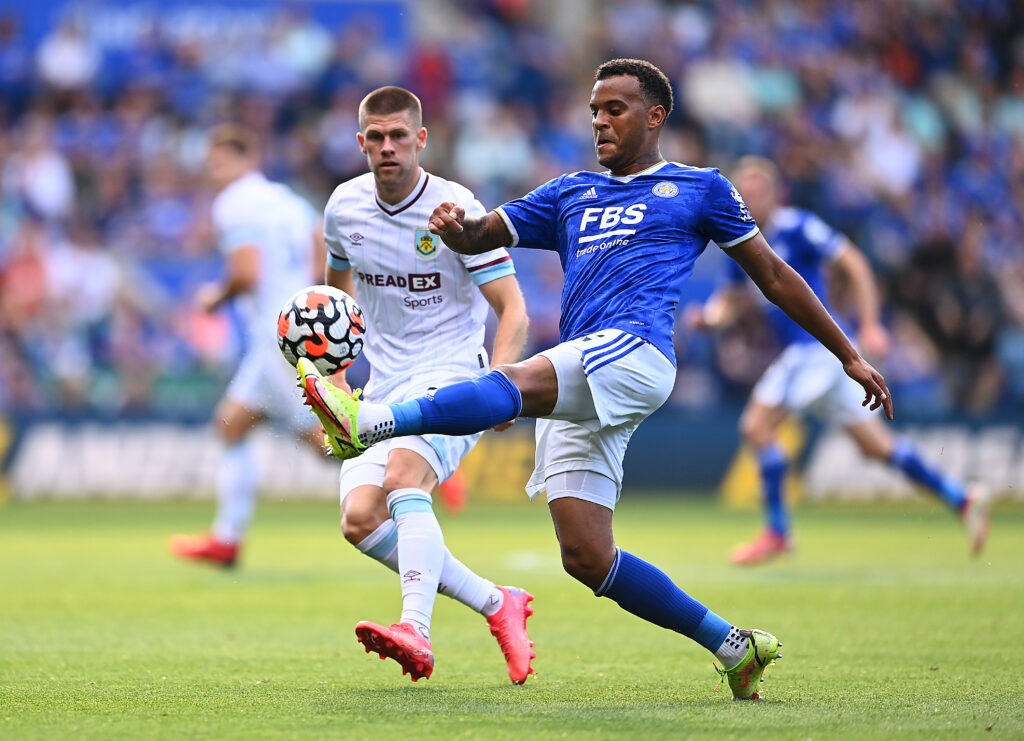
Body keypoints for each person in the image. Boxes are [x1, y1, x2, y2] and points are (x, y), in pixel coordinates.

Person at [298, 58, 894, 700]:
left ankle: (370, 421)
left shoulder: (700, 188)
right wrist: (457, 228)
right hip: (587, 364)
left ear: (655, 116)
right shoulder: (569, 191)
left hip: (635, 352)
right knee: (586, 558)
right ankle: (734, 645)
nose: (600, 122)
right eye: (594, 112)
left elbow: (773, 276)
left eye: (615, 109)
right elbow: (486, 230)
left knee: (518, 383)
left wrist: (848, 352)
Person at [313, 86, 534, 683]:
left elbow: (514, 309)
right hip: (384, 383)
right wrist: (333, 386)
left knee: (404, 478)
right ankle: (497, 602)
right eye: (376, 138)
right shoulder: (344, 208)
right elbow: (333, 306)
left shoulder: (455, 208)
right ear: (360, 143)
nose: (387, 147)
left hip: (452, 375)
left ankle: (416, 628)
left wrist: (502, 382)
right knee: (360, 519)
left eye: (398, 136)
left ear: (421, 140)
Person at [688, 156, 991, 565]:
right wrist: (709, 318)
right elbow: (731, 301)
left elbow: (854, 262)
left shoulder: (797, 226)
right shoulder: (741, 242)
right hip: (820, 360)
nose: (750, 198)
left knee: (756, 426)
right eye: (744, 191)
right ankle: (961, 498)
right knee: (875, 447)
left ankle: (778, 533)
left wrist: (869, 324)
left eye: (758, 190)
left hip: (814, 350)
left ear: (777, 194)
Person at [169, 124, 325, 567]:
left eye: (219, 162)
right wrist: (310, 294)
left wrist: (212, 299)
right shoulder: (285, 199)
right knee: (232, 424)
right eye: (210, 164)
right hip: (292, 324)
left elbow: (246, 273)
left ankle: (406, 464)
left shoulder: (233, 204)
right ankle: (227, 539)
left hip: (276, 335)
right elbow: (320, 240)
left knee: (325, 440)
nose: (213, 172)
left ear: (244, 160)